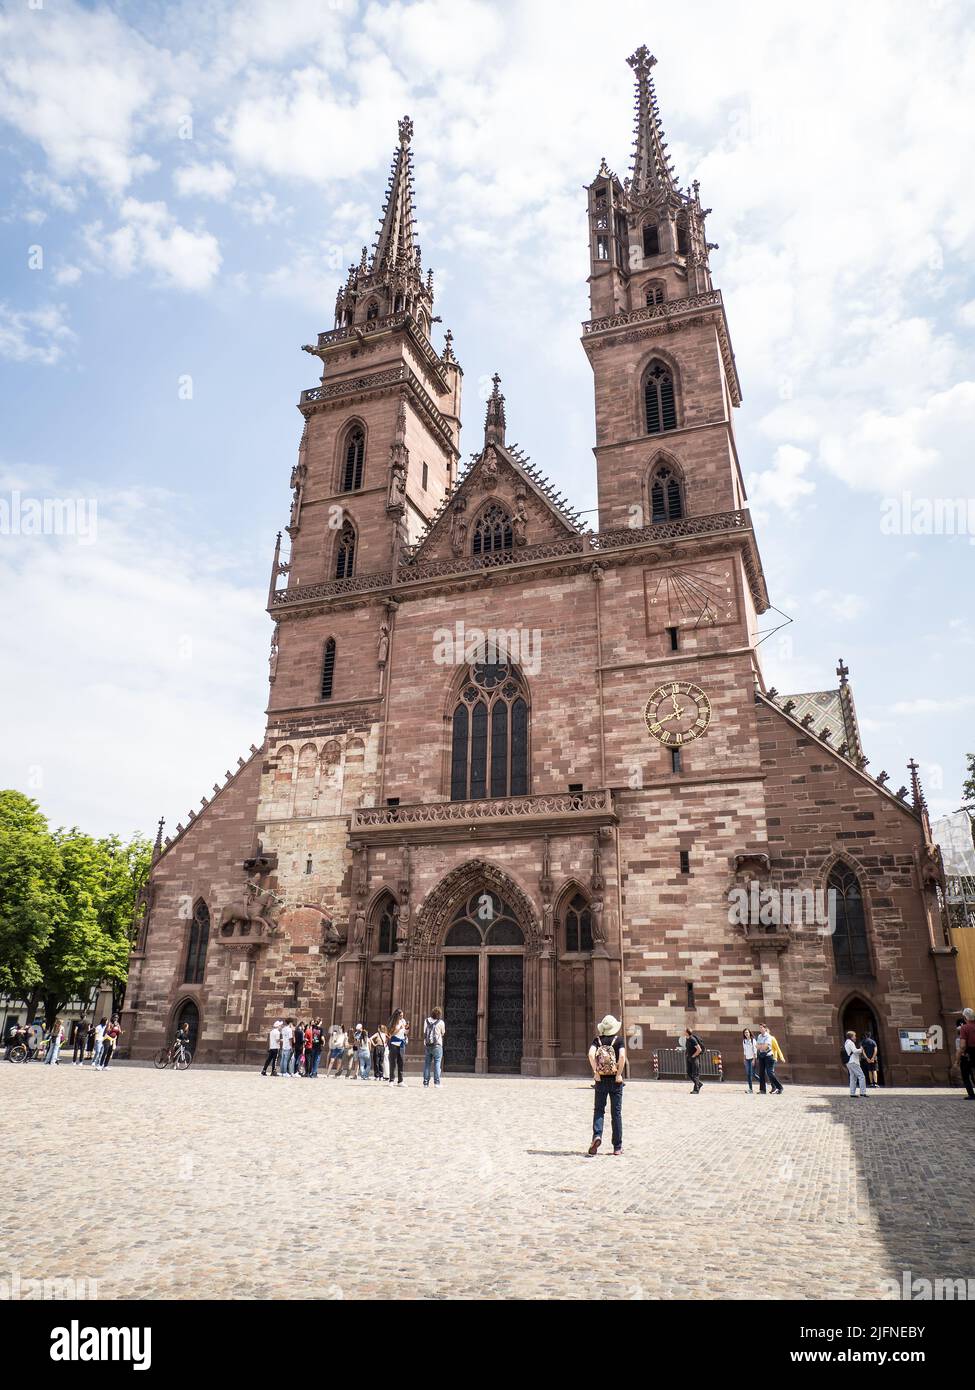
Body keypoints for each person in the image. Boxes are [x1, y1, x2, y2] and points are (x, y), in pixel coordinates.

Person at [587, 1015, 626, 1156]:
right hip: (615, 1081)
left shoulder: (597, 1040)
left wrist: (596, 1071)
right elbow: (622, 1057)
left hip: (601, 1080)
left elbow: (591, 1055)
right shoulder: (619, 1040)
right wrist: (619, 1074)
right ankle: (617, 1147)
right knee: (616, 1114)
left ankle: (597, 1136)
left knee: (599, 1110)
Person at [756, 1022, 784, 1095]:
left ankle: (779, 1087)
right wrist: (761, 1046)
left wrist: (761, 1046)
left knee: (770, 1073)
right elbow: (757, 1046)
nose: (760, 1029)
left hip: (769, 1056)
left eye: (762, 1027)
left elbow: (765, 1047)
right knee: (761, 1073)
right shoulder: (759, 1036)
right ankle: (762, 1090)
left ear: (765, 1028)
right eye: (759, 1028)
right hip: (761, 1056)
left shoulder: (768, 1036)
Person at [422, 1006, 446, 1088]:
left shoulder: (426, 1020)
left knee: (427, 1064)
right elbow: (443, 1033)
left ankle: (425, 1083)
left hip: (428, 1045)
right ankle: (437, 1083)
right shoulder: (441, 1022)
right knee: (437, 1063)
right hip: (437, 1045)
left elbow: (424, 1032)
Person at [844, 1030, 868, 1098]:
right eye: (854, 1036)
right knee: (861, 1076)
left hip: (849, 1062)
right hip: (853, 1062)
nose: (855, 1037)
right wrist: (861, 1049)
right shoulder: (850, 1043)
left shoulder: (846, 1042)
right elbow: (854, 1051)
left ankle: (852, 1093)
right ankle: (863, 1092)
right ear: (851, 1036)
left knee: (853, 1078)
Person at [387, 1009, 408, 1085]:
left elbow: (405, 1032)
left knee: (401, 1062)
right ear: (397, 1015)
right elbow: (391, 1034)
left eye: (402, 1015)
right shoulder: (393, 1022)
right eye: (401, 1016)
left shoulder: (403, 1021)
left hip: (402, 1042)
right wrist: (399, 1028)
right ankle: (391, 1080)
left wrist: (406, 1029)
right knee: (393, 1062)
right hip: (394, 1042)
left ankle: (400, 1081)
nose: (402, 1017)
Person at [958, 1008, 975, 1100]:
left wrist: (960, 1054)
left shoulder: (964, 1028)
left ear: (965, 1017)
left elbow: (963, 1045)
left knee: (965, 1074)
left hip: (969, 1053)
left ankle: (971, 1094)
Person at [684, 1026, 704, 1094]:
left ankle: (696, 1089)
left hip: (694, 1059)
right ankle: (699, 1083)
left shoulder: (692, 1039)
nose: (683, 1032)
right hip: (689, 1058)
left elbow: (699, 1049)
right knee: (689, 1073)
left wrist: (693, 1056)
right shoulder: (687, 1039)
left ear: (687, 1032)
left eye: (685, 1031)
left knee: (695, 1074)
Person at [742, 1028, 758, 1093]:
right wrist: (744, 1059)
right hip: (747, 1059)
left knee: (752, 1074)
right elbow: (745, 1051)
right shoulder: (744, 1041)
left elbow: (755, 1051)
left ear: (749, 1033)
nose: (746, 1034)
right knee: (749, 1074)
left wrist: (754, 1060)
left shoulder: (753, 1040)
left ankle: (762, 1083)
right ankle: (750, 1089)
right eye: (745, 1033)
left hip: (752, 1059)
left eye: (747, 1032)